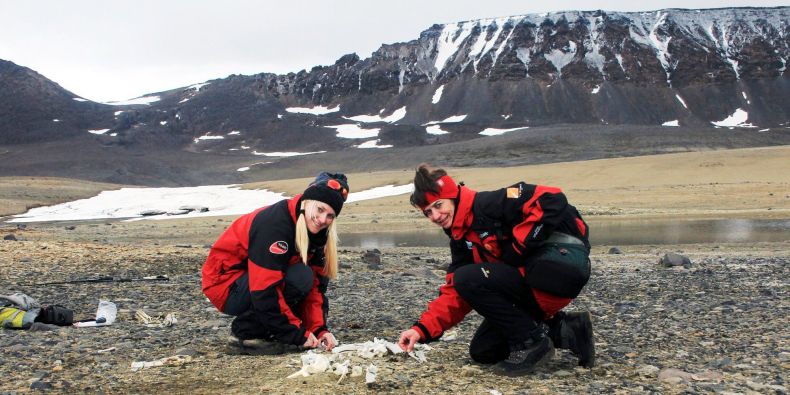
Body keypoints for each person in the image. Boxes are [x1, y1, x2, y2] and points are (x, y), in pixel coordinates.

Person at [397, 164, 594, 376]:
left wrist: (518, 247)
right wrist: (421, 330)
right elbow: (455, 292)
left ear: (452, 196)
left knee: (467, 277)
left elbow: (552, 198)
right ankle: (568, 329)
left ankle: (534, 344)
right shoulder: (461, 240)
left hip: (557, 272)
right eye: (428, 212)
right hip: (529, 287)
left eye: (438, 205)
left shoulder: (491, 203)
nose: (435, 215)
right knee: (484, 350)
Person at [202, 172, 349, 354]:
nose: (322, 220)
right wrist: (295, 334)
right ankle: (244, 334)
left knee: (305, 278)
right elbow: (265, 288)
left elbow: (315, 288)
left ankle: (270, 330)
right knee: (300, 276)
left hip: (252, 281)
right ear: (306, 202)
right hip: (225, 285)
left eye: (330, 216)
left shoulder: (317, 235)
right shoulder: (275, 225)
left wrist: (319, 330)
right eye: (319, 210)